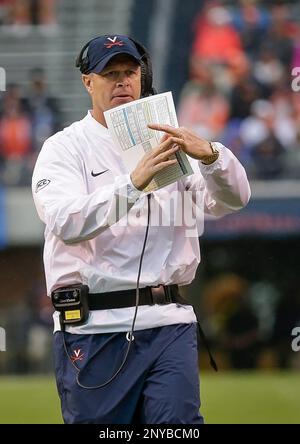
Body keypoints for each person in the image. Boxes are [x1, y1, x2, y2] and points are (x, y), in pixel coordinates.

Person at [31, 34, 251, 424]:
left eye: (130, 72)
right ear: (87, 82)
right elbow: (65, 220)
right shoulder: (64, 147)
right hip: (93, 327)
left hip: (169, 321)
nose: (122, 82)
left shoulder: (170, 138)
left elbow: (230, 201)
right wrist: (132, 185)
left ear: (141, 76)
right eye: (110, 73)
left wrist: (215, 157)